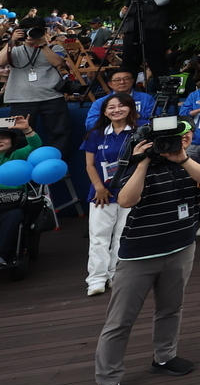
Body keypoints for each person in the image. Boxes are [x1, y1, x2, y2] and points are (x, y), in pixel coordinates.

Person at [90, 123, 200, 385]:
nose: (179, 140)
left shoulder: (198, 159)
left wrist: (183, 158)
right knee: (120, 321)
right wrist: (144, 161)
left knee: (171, 308)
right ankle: (108, 382)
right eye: (171, 138)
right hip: (139, 256)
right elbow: (125, 200)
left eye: (185, 134)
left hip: (181, 248)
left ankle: (164, 357)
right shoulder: (136, 164)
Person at [81, 93, 140, 296]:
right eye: (111, 107)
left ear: (130, 108)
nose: (116, 110)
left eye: (121, 106)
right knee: (99, 237)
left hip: (130, 192)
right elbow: (89, 164)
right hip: (101, 193)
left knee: (123, 236)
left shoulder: (139, 132)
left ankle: (117, 275)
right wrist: (99, 187)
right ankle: (96, 279)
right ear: (105, 112)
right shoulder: (96, 133)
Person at [0, 22, 71, 156]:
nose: (31, 34)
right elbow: (0, 61)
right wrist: (11, 42)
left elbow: (57, 62)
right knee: (19, 135)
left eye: (35, 31)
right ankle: (21, 167)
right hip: (20, 98)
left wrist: (42, 44)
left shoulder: (54, 47)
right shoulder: (14, 50)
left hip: (52, 97)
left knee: (59, 133)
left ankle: (59, 165)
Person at [0, 115, 41, 268]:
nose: (0, 140)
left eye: (4, 138)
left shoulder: (16, 156)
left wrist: (26, 129)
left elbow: (35, 147)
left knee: (15, 216)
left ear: (11, 142)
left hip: (12, 205)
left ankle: (2, 255)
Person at [117, 0, 173, 77]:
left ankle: (162, 89)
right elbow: (124, 13)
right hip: (132, 31)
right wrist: (122, 12)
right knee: (129, 63)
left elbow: (160, 2)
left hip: (153, 31)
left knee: (157, 61)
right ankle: (127, 91)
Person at [86, 68, 156, 129]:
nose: (122, 82)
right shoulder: (100, 102)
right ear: (110, 84)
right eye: (117, 80)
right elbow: (90, 125)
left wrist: (137, 115)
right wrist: (112, 118)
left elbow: (155, 120)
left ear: (132, 81)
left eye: (126, 79)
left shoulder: (146, 98)